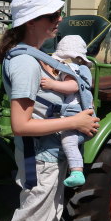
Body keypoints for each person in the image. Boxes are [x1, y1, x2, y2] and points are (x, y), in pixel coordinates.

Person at [0, 0, 99, 221]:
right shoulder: (24, 62)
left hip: (50, 156)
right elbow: (20, 125)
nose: (59, 20)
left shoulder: (34, 53)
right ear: (32, 21)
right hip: (40, 160)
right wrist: (74, 123)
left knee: (46, 220)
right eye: (52, 16)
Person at [40, 35, 94, 188]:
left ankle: (77, 172)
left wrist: (52, 85)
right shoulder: (78, 68)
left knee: (68, 141)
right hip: (74, 111)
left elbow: (73, 86)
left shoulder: (71, 68)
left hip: (76, 113)